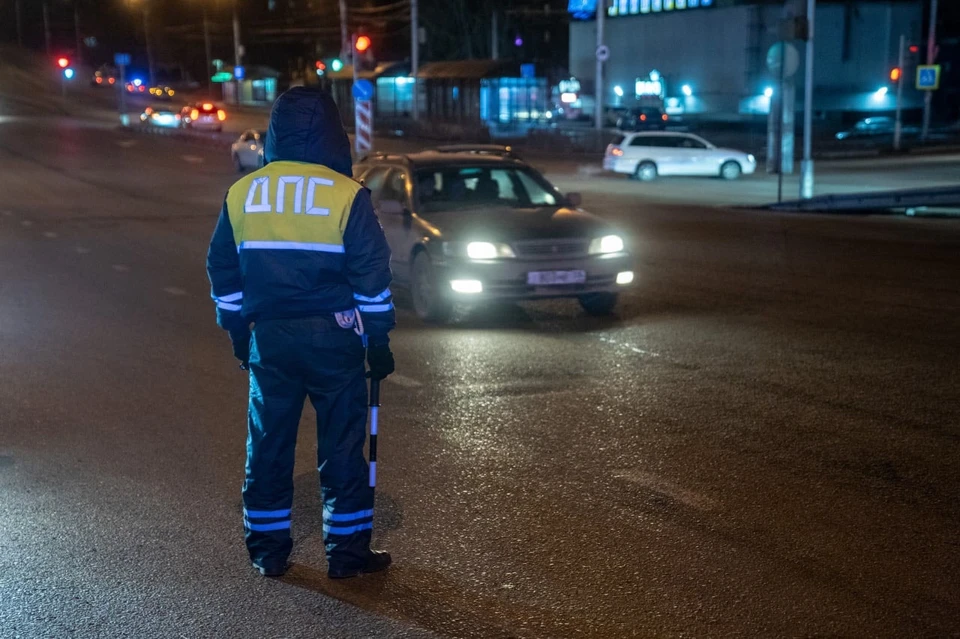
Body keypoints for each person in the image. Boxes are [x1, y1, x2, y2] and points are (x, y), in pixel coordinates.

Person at [206, 87, 396, 579]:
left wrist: (236, 330)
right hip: (335, 339)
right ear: (333, 133)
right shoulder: (347, 194)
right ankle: (346, 556)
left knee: (268, 446)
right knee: (342, 448)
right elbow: (372, 276)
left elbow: (222, 270)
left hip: (269, 338)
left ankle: (268, 553)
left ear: (274, 131)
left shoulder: (245, 192)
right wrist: (378, 340)